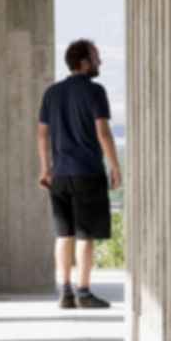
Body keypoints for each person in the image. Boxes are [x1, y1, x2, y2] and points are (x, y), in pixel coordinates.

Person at [37, 38, 121, 310]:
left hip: (60, 174)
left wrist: (45, 167)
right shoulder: (95, 91)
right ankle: (83, 292)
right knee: (86, 236)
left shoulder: (52, 93)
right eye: (96, 57)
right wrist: (115, 166)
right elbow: (104, 132)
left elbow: (42, 134)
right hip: (87, 172)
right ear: (83, 62)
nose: (100, 62)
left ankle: (65, 292)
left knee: (64, 234)